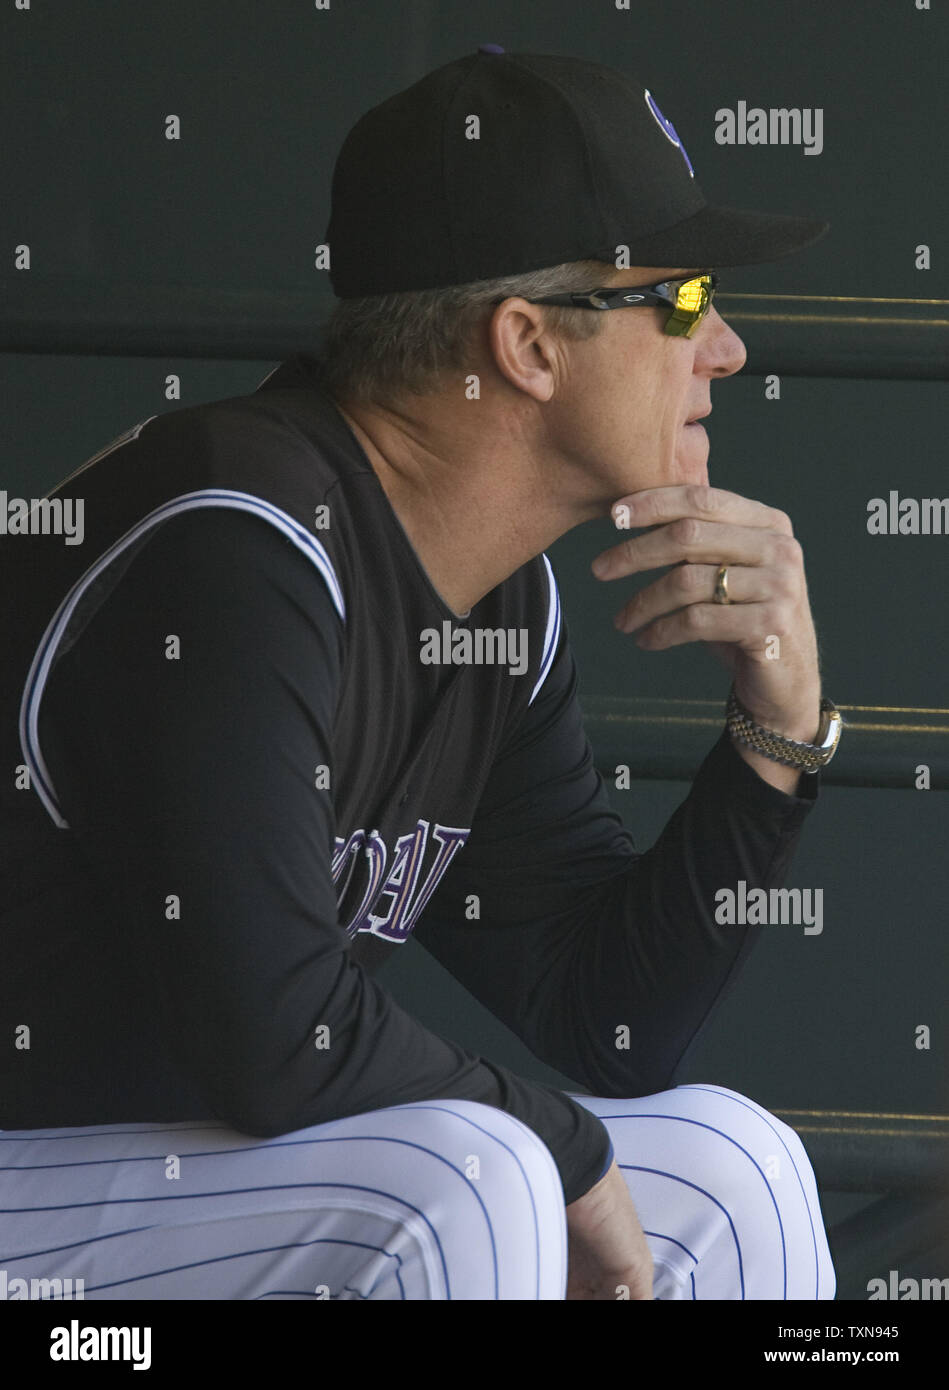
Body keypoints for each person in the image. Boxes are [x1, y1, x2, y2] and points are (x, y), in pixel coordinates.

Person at [0, 48, 842, 1300]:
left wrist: (773, 737)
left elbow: (602, 1018)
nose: (722, 345)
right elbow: (271, 1034)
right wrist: (558, 1146)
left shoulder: (495, 601)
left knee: (732, 1164)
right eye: (679, 297)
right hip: (38, 1172)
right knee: (467, 1178)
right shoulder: (238, 532)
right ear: (526, 345)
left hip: (156, 1181)